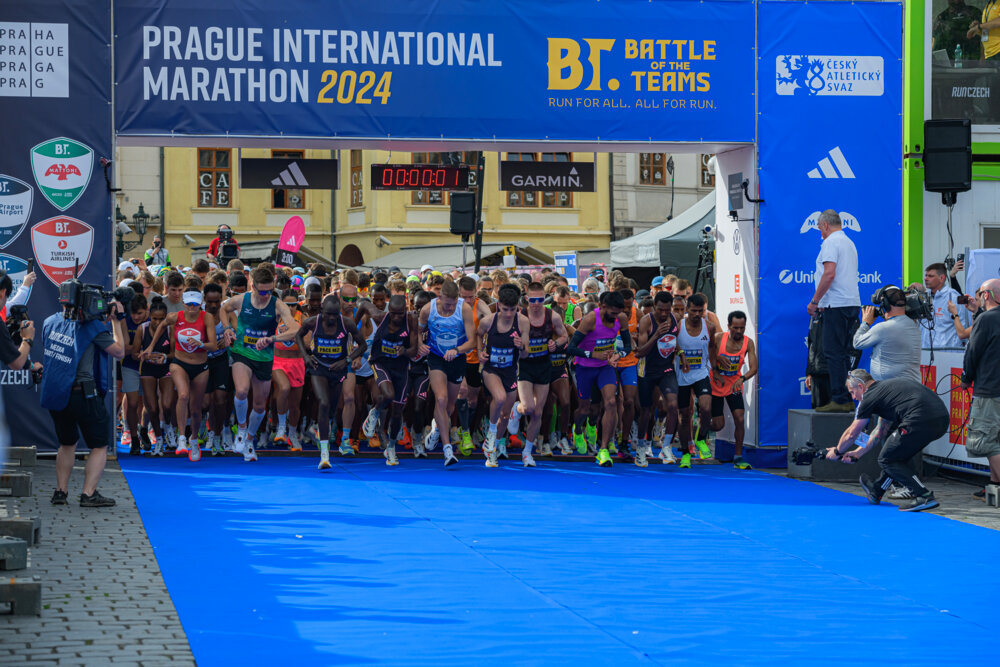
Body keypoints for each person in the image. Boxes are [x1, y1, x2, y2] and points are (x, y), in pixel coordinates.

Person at [40, 283, 128, 508]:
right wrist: (116, 321)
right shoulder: (92, 328)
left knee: (66, 443)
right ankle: (88, 494)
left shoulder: (49, 322)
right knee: (99, 445)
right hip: (83, 394)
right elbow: (119, 351)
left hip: (56, 394)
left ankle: (60, 492)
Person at [826, 370, 947, 512]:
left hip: (919, 420)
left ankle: (924, 495)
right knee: (895, 456)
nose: (853, 397)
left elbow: (852, 433)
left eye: (852, 392)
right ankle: (876, 491)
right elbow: (880, 431)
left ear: (861, 386)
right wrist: (858, 453)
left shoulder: (869, 397)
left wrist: (837, 451)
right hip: (941, 420)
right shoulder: (886, 393)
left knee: (886, 460)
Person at [220, 266, 299, 461]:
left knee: (259, 406)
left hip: (264, 357)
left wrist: (272, 339)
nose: (265, 295)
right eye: (262, 291)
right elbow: (224, 308)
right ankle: (241, 427)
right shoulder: (242, 300)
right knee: (241, 391)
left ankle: (248, 441)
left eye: (269, 291)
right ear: (252, 286)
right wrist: (227, 328)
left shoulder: (277, 304)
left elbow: (295, 330)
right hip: (242, 352)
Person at [143, 287, 218, 461]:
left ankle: (193, 440)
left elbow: (213, 346)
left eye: (195, 305)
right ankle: (182, 438)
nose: (192, 308)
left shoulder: (206, 318)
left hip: (200, 365)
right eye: (189, 304)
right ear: (183, 303)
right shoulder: (175, 317)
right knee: (183, 395)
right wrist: (151, 346)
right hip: (180, 363)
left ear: (200, 305)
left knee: (196, 408)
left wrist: (201, 343)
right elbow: (162, 325)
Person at [296, 294, 366, 469]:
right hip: (319, 368)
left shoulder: (346, 324)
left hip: (338, 369)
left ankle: (323, 430)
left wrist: (347, 360)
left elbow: (363, 345)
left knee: (333, 410)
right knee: (324, 402)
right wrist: (306, 356)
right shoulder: (312, 322)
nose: (332, 318)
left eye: (335, 314)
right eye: (328, 314)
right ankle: (324, 455)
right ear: (322, 311)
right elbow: (298, 336)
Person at [567, 290, 632, 467]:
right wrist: (593, 354)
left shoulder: (621, 319)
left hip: (605, 367)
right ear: (602, 307)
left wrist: (618, 355)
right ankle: (578, 429)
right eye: (612, 313)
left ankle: (603, 450)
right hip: (585, 367)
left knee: (611, 402)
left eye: (618, 313)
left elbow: (628, 346)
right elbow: (571, 348)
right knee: (585, 409)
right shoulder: (589, 320)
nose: (615, 317)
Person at [508, 282, 568, 465]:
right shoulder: (520, 316)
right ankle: (516, 410)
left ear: (545, 299)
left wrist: (555, 344)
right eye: (532, 300)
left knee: (538, 412)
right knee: (528, 408)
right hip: (525, 365)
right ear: (526, 299)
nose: (536, 304)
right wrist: (516, 342)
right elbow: (507, 336)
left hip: (543, 365)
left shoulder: (552, 316)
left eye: (540, 300)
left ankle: (527, 452)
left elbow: (564, 336)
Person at [418, 279, 477, 467]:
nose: (450, 307)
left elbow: (472, 341)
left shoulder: (464, 309)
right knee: (441, 399)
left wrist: (458, 350)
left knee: (449, 406)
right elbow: (417, 331)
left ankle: (437, 431)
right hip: (436, 358)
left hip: (457, 360)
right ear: (440, 296)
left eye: (453, 304)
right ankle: (447, 449)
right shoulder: (428, 309)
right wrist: (420, 345)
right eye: (447, 304)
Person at [807, 210, 860, 413]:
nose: (820, 232)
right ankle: (844, 397)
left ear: (826, 225)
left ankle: (840, 398)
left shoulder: (830, 242)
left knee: (833, 352)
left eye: (820, 228)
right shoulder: (849, 242)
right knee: (842, 353)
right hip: (850, 302)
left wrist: (815, 301)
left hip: (835, 304)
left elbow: (829, 274)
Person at [477, 284, 529, 467]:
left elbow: (525, 354)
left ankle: (492, 447)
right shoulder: (488, 321)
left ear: (517, 307)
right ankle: (491, 434)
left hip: (509, 371)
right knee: (498, 398)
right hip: (491, 369)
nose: (508, 314)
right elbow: (478, 335)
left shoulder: (522, 322)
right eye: (505, 309)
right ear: (498, 305)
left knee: (505, 415)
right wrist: (479, 352)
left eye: (512, 310)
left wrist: (520, 345)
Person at [364, 295, 420, 466]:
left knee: (397, 411)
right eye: (393, 313)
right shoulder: (380, 316)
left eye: (400, 314)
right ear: (389, 311)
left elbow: (414, 350)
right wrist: (356, 335)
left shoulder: (411, 320)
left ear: (405, 310)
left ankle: (391, 447)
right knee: (388, 394)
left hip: (401, 368)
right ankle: (374, 411)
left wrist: (404, 351)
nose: (396, 317)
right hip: (380, 362)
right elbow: (363, 305)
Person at [961, 279, 1000, 491]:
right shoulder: (985, 318)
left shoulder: (986, 319)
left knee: (985, 440)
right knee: (996, 440)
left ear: (986, 295)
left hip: (989, 389)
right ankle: (994, 484)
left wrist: (966, 378)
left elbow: (972, 352)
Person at [635, 290, 680, 465]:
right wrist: (656, 335)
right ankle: (640, 447)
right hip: (647, 371)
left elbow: (675, 342)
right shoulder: (646, 321)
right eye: (660, 310)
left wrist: (681, 353)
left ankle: (666, 447)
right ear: (654, 307)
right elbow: (640, 352)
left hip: (666, 369)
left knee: (673, 405)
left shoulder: (675, 318)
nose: (663, 314)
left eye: (666, 310)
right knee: (646, 411)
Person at [710, 310, 757, 470]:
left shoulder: (748, 343)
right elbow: (706, 354)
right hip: (715, 384)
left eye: (741, 328)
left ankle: (738, 456)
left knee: (740, 418)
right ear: (728, 326)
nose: (738, 331)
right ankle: (701, 432)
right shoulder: (718, 338)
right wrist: (716, 359)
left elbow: (754, 368)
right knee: (718, 425)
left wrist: (741, 379)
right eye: (735, 328)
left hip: (734, 385)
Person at [676, 293, 718, 467]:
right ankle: (686, 452)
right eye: (693, 310)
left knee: (706, 407)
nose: (697, 314)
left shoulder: (709, 326)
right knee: (684, 416)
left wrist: (715, 369)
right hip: (682, 375)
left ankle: (701, 438)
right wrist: (681, 354)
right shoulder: (679, 325)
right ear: (687, 309)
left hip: (701, 372)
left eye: (700, 311)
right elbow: (671, 341)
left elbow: (712, 347)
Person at [852, 287, 921, 383]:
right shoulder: (913, 325)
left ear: (886, 306)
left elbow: (857, 343)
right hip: (913, 386)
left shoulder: (883, 328)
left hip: (889, 389)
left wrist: (865, 323)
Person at [922, 263, 970, 349]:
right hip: (926, 352)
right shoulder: (924, 297)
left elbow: (963, 326)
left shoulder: (955, 297)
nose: (926, 279)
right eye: (925, 275)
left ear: (942, 278)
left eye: (930, 276)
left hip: (947, 353)